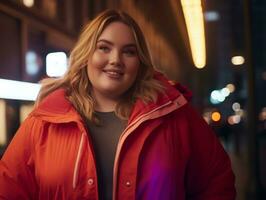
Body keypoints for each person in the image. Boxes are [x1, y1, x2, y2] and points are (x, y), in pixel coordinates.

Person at [0, 9, 236, 200]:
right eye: (104, 48)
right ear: (86, 55)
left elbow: (217, 183)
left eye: (129, 52)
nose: (115, 60)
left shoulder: (175, 116)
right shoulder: (43, 121)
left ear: (140, 62)